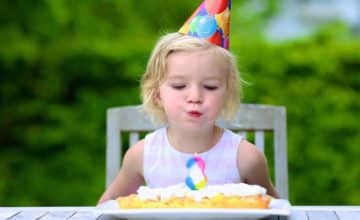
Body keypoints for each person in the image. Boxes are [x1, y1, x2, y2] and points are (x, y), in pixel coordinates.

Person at [97, 32, 279, 204]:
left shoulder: (246, 158)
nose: (195, 96)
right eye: (178, 86)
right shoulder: (141, 155)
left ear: (227, 94)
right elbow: (107, 208)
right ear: (157, 94)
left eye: (210, 87)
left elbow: (276, 210)